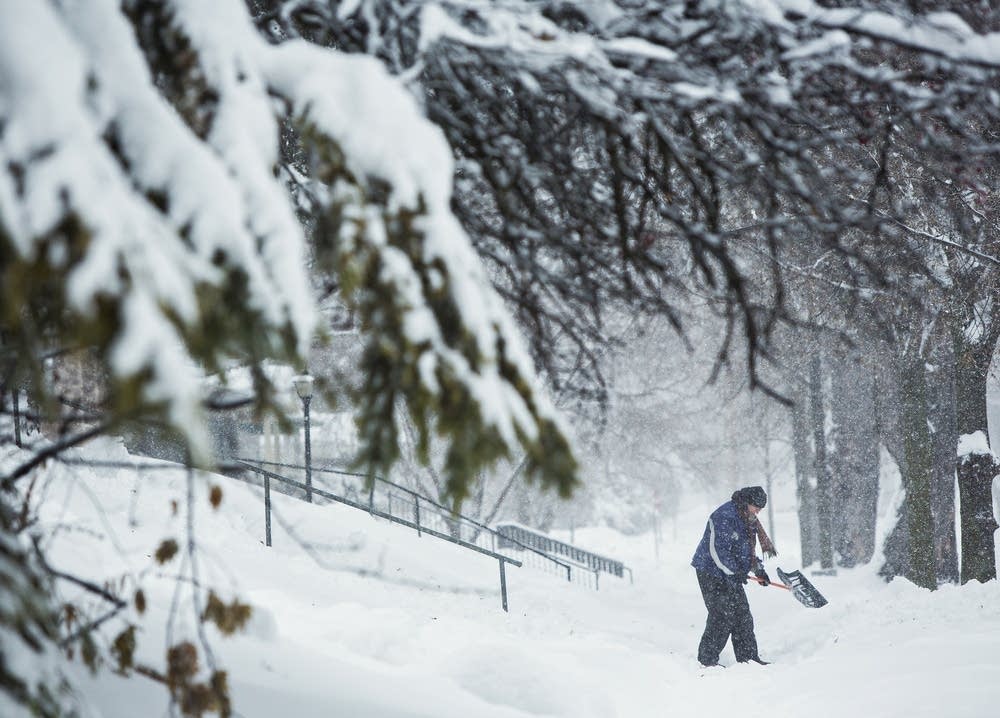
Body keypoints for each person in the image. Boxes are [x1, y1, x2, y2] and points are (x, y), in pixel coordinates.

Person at [690, 485, 777, 667]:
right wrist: (734, 572)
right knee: (722, 614)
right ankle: (707, 660)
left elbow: (746, 551)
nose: (758, 512)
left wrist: (758, 569)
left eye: (760, 509)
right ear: (747, 502)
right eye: (756, 507)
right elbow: (718, 551)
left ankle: (748, 659)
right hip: (710, 570)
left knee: (742, 614)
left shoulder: (748, 519)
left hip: (730, 572)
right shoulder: (723, 516)